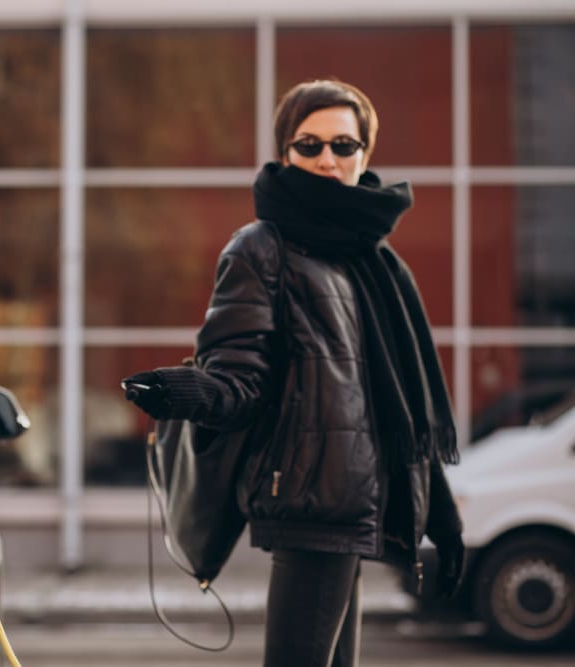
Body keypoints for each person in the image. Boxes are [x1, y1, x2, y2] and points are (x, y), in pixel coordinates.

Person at [122, 79, 465, 667]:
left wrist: (444, 515)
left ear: (365, 156)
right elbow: (240, 381)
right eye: (309, 145)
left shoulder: (373, 260)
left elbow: (404, 403)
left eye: (343, 144)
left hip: (360, 507)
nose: (327, 158)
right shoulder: (261, 249)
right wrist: (188, 391)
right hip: (310, 503)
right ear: (285, 152)